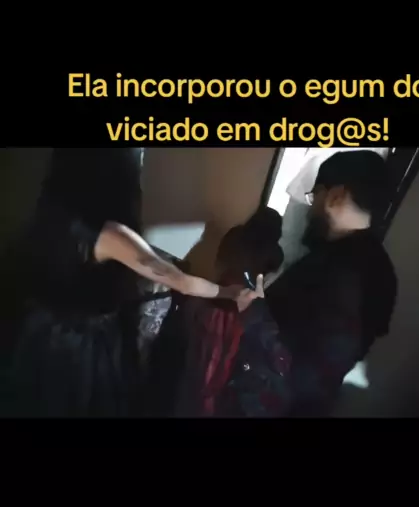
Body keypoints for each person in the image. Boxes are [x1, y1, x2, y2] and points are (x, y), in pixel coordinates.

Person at [1, 149, 261, 418]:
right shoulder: (110, 233)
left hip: (41, 333)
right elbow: (179, 280)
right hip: (81, 347)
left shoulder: (49, 214)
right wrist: (228, 292)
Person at [265, 151, 398, 418]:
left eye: (314, 196)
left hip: (275, 402)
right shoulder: (382, 270)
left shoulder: (332, 268)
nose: (310, 208)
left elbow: (291, 346)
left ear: (336, 195)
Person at [148, 207, 292, 420]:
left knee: (195, 369)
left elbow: (220, 268)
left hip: (213, 301)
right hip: (240, 309)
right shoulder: (275, 256)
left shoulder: (235, 237)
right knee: (218, 372)